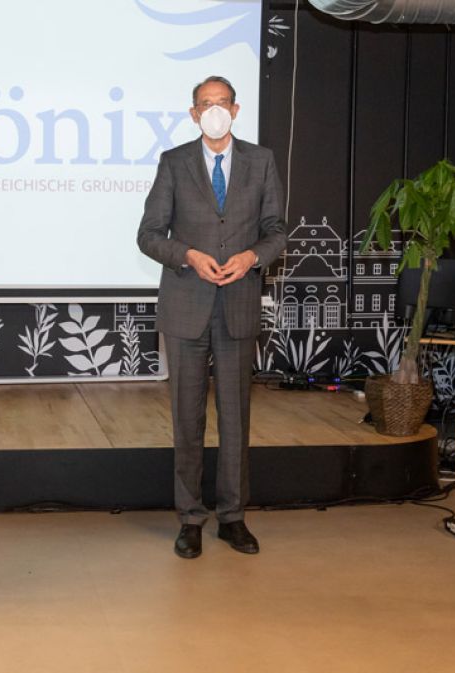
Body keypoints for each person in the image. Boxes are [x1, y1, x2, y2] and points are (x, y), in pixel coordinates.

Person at [137, 76, 288, 559]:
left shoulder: (261, 161)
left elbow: (277, 232)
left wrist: (251, 258)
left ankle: (233, 517)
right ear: (193, 112)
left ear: (236, 109)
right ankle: (190, 518)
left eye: (223, 102)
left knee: (235, 418)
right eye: (207, 104)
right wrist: (186, 255)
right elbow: (148, 233)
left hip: (238, 304)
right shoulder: (174, 162)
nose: (215, 110)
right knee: (186, 419)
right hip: (185, 306)